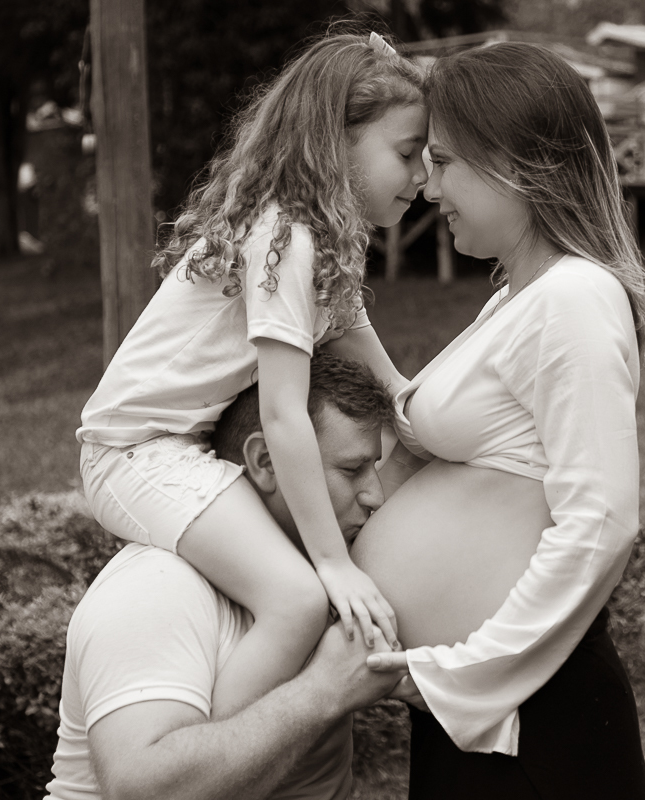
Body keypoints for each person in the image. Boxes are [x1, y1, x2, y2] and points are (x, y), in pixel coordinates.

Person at [75, 30, 427, 721]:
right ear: (337, 141)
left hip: (183, 448)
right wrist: (333, 563)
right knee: (297, 598)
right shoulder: (286, 237)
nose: (421, 178)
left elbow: (370, 355)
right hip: (132, 452)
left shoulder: (319, 236)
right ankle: (208, 768)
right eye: (408, 154)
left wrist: (422, 410)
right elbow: (284, 414)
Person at [351, 42, 645, 798]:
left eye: (446, 163)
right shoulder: (518, 298)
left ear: (519, 164)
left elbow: (602, 522)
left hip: (534, 713)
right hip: (488, 710)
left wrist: (469, 673)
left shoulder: (574, 298)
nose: (427, 187)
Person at [48, 353, 413, 800]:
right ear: (265, 461)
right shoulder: (157, 587)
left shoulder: (337, 571)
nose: (374, 495)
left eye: (374, 468)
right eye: (352, 470)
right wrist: (325, 690)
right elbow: (146, 791)